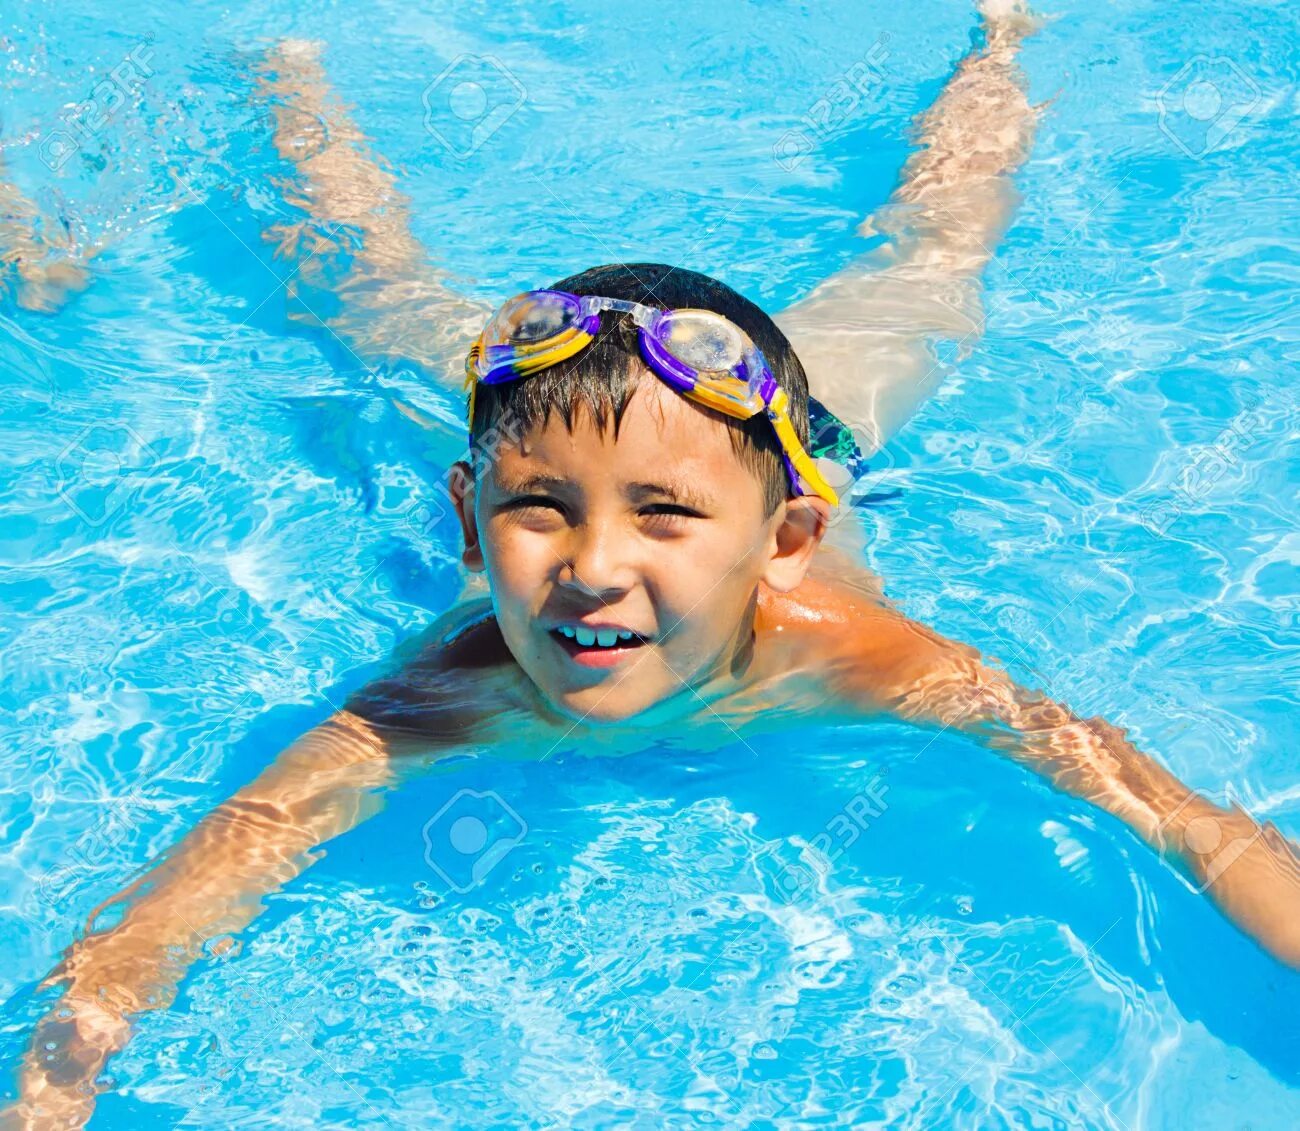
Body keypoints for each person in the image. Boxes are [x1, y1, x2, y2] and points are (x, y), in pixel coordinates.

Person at [9, 3, 1300, 1126]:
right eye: (537, 511)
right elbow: (198, 886)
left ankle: (1004, 33)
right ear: (468, 521)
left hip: (816, 413)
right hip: (653, 422)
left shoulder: (846, 653)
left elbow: (1172, 819)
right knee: (374, 291)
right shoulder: (438, 700)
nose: (591, 567)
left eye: (665, 518)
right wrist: (71, 1060)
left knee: (934, 257)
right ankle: (284, 69)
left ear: (784, 543)